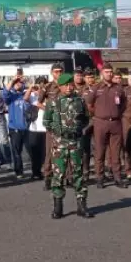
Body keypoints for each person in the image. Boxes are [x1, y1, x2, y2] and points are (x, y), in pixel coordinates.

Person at [43, 72, 92, 219]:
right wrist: (58, 132)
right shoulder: (53, 102)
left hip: (76, 142)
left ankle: (81, 206)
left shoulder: (79, 101)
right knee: (58, 174)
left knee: (78, 173)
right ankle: (58, 207)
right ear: (60, 86)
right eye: (66, 85)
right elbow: (46, 121)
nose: (69, 87)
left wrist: (76, 130)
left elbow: (85, 119)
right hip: (60, 143)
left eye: (71, 84)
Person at [85, 64, 127, 189]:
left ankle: (117, 177)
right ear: (102, 73)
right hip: (100, 123)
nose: (109, 74)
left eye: (110, 72)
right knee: (100, 151)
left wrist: (117, 114)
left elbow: (124, 103)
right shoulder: (96, 88)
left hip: (115, 123)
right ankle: (99, 177)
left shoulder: (118, 88)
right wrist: (97, 114)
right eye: (107, 72)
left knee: (116, 152)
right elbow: (89, 104)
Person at [2, 74, 34, 179]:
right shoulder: (11, 96)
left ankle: (36, 171)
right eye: (16, 83)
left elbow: (27, 99)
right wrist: (13, 80)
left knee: (32, 150)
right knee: (17, 152)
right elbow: (5, 93)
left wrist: (30, 86)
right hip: (14, 128)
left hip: (28, 128)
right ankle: (19, 172)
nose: (17, 84)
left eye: (19, 82)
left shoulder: (27, 94)